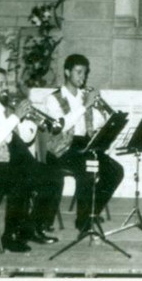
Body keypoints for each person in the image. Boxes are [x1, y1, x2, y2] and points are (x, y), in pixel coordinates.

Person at [0, 67, 64, 253]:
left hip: (7, 161)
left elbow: (24, 139)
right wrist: (15, 116)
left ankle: (33, 227)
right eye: (0, 84)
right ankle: (10, 236)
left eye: (6, 84)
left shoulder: (2, 110)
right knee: (20, 177)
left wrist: (29, 119)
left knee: (53, 175)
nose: (5, 88)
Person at [43, 54, 125, 233]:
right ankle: (83, 221)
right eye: (78, 72)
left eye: (85, 73)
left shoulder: (84, 96)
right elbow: (61, 126)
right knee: (88, 170)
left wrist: (103, 114)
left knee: (115, 171)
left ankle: (91, 212)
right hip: (63, 148)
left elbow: (94, 126)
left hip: (85, 145)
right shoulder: (54, 98)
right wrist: (85, 106)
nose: (83, 77)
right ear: (67, 72)